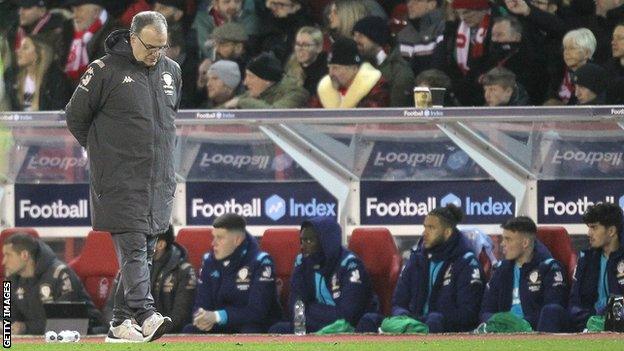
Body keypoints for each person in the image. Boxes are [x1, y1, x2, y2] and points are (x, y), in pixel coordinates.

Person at [64, 11, 181, 343]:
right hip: (119, 180)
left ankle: (119, 321)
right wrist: (104, 154)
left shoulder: (172, 72)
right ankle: (146, 314)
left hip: (158, 180)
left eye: (162, 46)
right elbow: (75, 117)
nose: (156, 53)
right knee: (132, 248)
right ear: (132, 38)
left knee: (143, 252)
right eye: (150, 46)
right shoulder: (103, 71)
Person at [356, 204, 484, 333]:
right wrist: (403, 315)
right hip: (413, 322)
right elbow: (398, 301)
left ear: (447, 232)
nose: (425, 233)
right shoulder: (417, 259)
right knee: (369, 320)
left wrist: (438, 319)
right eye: (425, 227)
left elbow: (469, 314)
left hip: (445, 328)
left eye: (431, 228)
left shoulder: (466, 262)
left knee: (434, 321)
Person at [270, 216, 376, 334]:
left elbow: (347, 316)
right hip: (314, 324)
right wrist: (307, 315)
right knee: (277, 329)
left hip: (348, 328)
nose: (302, 246)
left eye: (309, 241)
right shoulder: (302, 262)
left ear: (326, 242)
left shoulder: (350, 265)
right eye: (302, 241)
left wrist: (309, 308)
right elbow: (295, 308)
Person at [183, 213, 282, 333]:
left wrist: (218, 316)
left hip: (253, 324)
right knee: (191, 330)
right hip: (218, 324)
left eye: (220, 238)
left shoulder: (261, 262)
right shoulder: (209, 261)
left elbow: (257, 312)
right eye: (214, 237)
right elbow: (201, 303)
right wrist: (201, 318)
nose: (213, 243)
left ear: (237, 240)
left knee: (249, 331)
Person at [3, 233, 103, 335]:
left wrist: (26, 327)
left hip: (88, 336)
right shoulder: (11, 279)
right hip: (41, 338)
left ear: (24, 255)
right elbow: (9, 314)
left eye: (8, 255)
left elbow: (67, 322)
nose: (3, 261)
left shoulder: (61, 274)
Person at [480, 217, 568, 332]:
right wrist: (499, 321)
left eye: (508, 239)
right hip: (502, 333)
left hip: (535, 335)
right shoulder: (501, 270)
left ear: (525, 242)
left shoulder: (549, 268)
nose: (502, 244)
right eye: (503, 239)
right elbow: (485, 311)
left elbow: (553, 312)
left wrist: (522, 323)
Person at [104, 225, 197, 333]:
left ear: (160, 244)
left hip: (169, 337)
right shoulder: (129, 268)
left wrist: (147, 327)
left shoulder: (184, 271)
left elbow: (180, 317)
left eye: (144, 240)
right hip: (131, 333)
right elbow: (110, 309)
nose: (137, 244)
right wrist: (122, 323)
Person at [569, 202, 624, 332]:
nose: (589, 233)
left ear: (611, 231)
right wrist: (588, 320)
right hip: (589, 327)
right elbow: (574, 303)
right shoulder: (585, 259)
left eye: (594, 228)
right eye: (589, 228)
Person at [353, 15, 415, 107]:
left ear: (376, 37)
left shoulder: (399, 71)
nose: (355, 40)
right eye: (354, 35)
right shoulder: (357, 67)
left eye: (360, 36)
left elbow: (397, 112)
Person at [311, 37, 389, 108]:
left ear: (354, 69)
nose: (331, 73)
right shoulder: (324, 89)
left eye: (336, 68)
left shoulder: (375, 86)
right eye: (329, 67)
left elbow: (371, 117)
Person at [4, 34, 72, 111]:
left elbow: (59, 112)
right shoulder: (12, 77)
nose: (18, 51)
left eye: (25, 48)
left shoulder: (56, 80)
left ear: (40, 53)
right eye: (20, 47)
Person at [223, 52, 309, 109]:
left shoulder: (295, 93)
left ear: (267, 79)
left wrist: (242, 102)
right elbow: (221, 110)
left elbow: (273, 114)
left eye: (251, 77)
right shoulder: (255, 92)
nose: (245, 82)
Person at [64, 0, 119, 85]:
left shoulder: (116, 37)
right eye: (73, 10)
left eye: (79, 10)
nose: (74, 15)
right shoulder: (69, 33)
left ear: (96, 12)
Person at [7, 0, 73, 68]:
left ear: (42, 11)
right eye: (19, 7)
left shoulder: (57, 34)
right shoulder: (13, 31)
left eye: (26, 7)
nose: (20, 12)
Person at [396, 0, 445, 77]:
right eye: (408, 1)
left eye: (416, 1)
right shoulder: (403, 31)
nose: (409, 5)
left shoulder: (443, 28)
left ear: (432, 4)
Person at [284, 26, 328, 98]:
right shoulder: (290, 65)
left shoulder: (325, 72)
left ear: (319, 48)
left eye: (306, 45)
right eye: (298, 44)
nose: (300, 49)